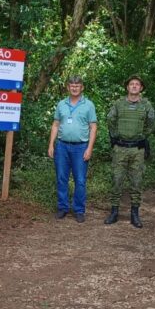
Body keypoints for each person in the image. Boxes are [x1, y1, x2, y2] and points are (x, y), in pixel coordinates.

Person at [105, 75, 155, 228]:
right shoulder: (119, 104)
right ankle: (114, 212)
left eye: (137, 84)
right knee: (116, 180)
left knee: (137, 182)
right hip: (120, 148)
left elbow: (151, 123)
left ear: (141, 88)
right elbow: (110, 120)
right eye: (131, 84)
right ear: (127, 87)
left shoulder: (146, 105)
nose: (134, 86)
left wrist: (142, 136)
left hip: (137, 149)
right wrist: (115, 136)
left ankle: (135, 214)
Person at [47, 76, 97, 223]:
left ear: (82, 88)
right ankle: (62, 208)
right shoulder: (61, 104)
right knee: (61, 178)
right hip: (62, 146)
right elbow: (55, 125)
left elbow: (93, 127)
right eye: (72, 85)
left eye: (77, 85)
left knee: (80, 180)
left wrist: (89, 148)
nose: (74, 88)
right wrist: (51, 144)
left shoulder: (89, 105)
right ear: (68, 87)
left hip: (81, 147)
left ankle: (79, 210)